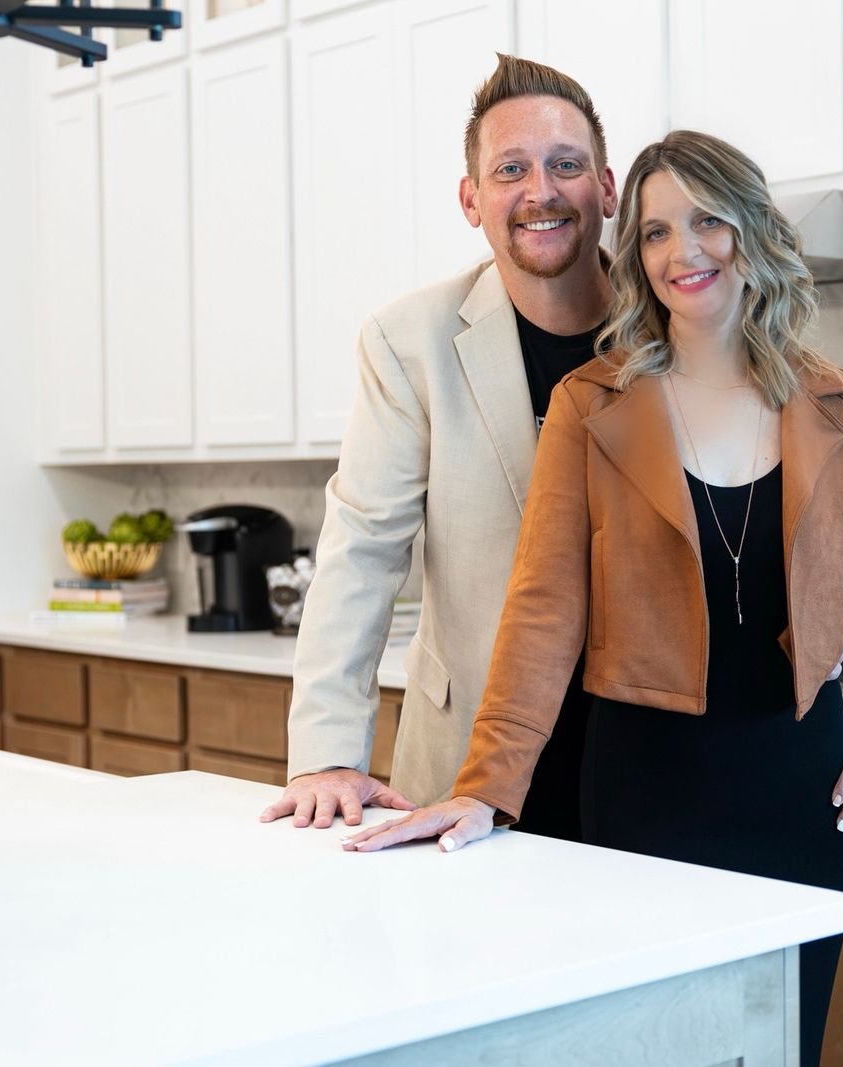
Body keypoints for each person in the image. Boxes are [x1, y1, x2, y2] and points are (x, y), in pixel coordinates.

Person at [342, 130, 843, 1066]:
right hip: (645, 801)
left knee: (784, 1047)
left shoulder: (837, 404)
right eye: (656, 232)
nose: (684, 252)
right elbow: (544, 610)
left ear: (751, 231)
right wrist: (486, 790)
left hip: (806, 802)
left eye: (708, 221)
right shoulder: (593, 405)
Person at [258, 55, 620, 841]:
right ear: (472, 199)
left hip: (643, 762)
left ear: (607, 188)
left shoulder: (673, 331)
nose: (541, 191)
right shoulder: (409, 341)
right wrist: (325, 754)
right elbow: (361, 551)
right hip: (467, 754)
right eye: (511, 169)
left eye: (566, 165)